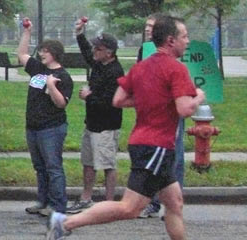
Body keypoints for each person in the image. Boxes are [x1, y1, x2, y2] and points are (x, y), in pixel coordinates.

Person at [47, 16, 205, 240]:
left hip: (148, 144)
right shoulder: (176, 69)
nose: (187, 41)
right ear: (171, 40)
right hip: (156, 146)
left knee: (175, 203)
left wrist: (152, 99)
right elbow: (184, 109)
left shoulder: (141, 68)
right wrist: (198, 97)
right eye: (184, 36)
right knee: (130, 207)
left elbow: (119, 100)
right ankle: (64, 223)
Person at [66, 18, 124, 214]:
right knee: (88, 162)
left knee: (107, 164)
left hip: (107, 126)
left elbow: (111, 102)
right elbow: (85, 52)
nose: (94, 51)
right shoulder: (99, 64)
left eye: (98, 49)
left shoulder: (115, 71)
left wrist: (89, 97)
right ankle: (86, 197)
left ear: (109, 52)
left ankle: (109, 202)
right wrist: (80, 34)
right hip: (91, 123)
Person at [17, 18, 74, 216]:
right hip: (33, 126)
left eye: (45, 51)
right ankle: (42, 201)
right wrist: (27, 32)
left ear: (54, 54)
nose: (41, 54)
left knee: (53, 167)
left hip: (51, 128)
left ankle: (57, 205)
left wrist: (51, 86)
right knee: (40, 167)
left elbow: (62, 103)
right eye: (41, 51)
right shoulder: (38, 69)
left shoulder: (63, 76)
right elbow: (22, 55)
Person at [137, 13, 186, 218]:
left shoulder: (173, 51)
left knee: (174, 154)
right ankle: (153, 202)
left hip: (172, 109)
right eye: (146, 26)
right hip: (151, 111)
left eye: (152, 26)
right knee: (155, 155)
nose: (148, 29)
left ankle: (172, 204)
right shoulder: (145, 51)